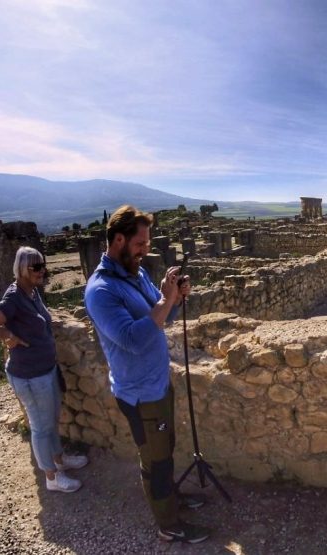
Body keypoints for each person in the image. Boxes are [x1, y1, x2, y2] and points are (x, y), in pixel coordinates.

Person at [84, 205, 209, 544]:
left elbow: (163, 314)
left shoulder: (134, 273)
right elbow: (131, 339)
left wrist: (174, 295)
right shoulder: (101, 291)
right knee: (155, 459)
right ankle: (168, 524)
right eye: (140, 244)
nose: (145, 250)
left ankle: (169, 498)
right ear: (119, 239)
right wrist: (166, 301)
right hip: (139, 392)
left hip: (157, 383)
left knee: (164, 449)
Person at [0, 247, 88, 493]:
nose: (42, 271)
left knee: (52, 420)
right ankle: (51, 477)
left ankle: (59, 460)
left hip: (45, 370)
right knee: (40, 427)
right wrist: (6, 334)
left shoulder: (32, 292)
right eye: (35, 267)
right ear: (21, 269)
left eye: (42, 265)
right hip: (28, 375)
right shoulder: (14, 299)